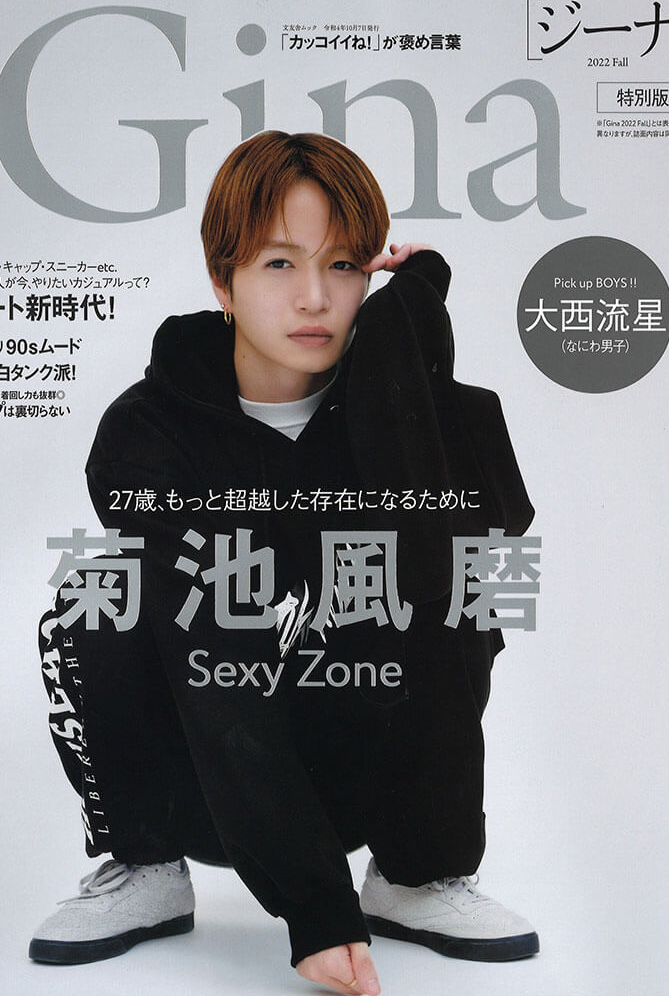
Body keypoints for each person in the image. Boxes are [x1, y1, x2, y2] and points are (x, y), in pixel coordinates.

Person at [31, 131, 538, 995]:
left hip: (362, 763)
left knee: (458, 572)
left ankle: (414, 874)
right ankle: (146, 864)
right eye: (278, 264)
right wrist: (316, 909)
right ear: (221, 281)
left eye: (343, 266)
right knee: (98, 595)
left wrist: (410, 334)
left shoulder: (412, 404)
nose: (314, 298)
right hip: (208, 777)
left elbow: (482, 533)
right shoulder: (149, 431)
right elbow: (214, 653)